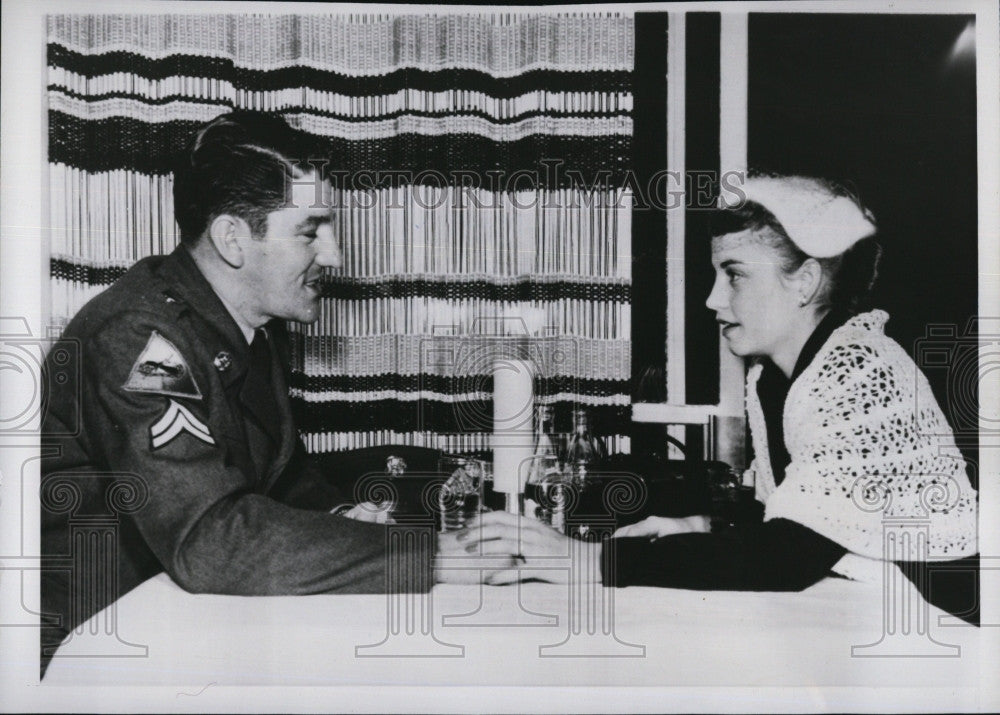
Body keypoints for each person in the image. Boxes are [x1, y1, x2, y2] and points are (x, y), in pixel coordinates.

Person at [39, 111, 502, 677]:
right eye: (310, 231)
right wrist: (436, 559)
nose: (333, 256)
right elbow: (210, 542)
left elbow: (278, 474)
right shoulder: (138, 340)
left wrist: (347, 516)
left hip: (176, 619)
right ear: (233, 238)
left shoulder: (241, 320)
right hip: (85, 643)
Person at [465, 174, 979, 619]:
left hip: (943, 621)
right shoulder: (777, 376)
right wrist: (700, 523)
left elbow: (785, 560)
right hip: (878, 603)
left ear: (803, 282)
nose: (713, 300)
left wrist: (585, 561)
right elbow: (806, 518)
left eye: (733, 275)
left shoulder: (858, 371)